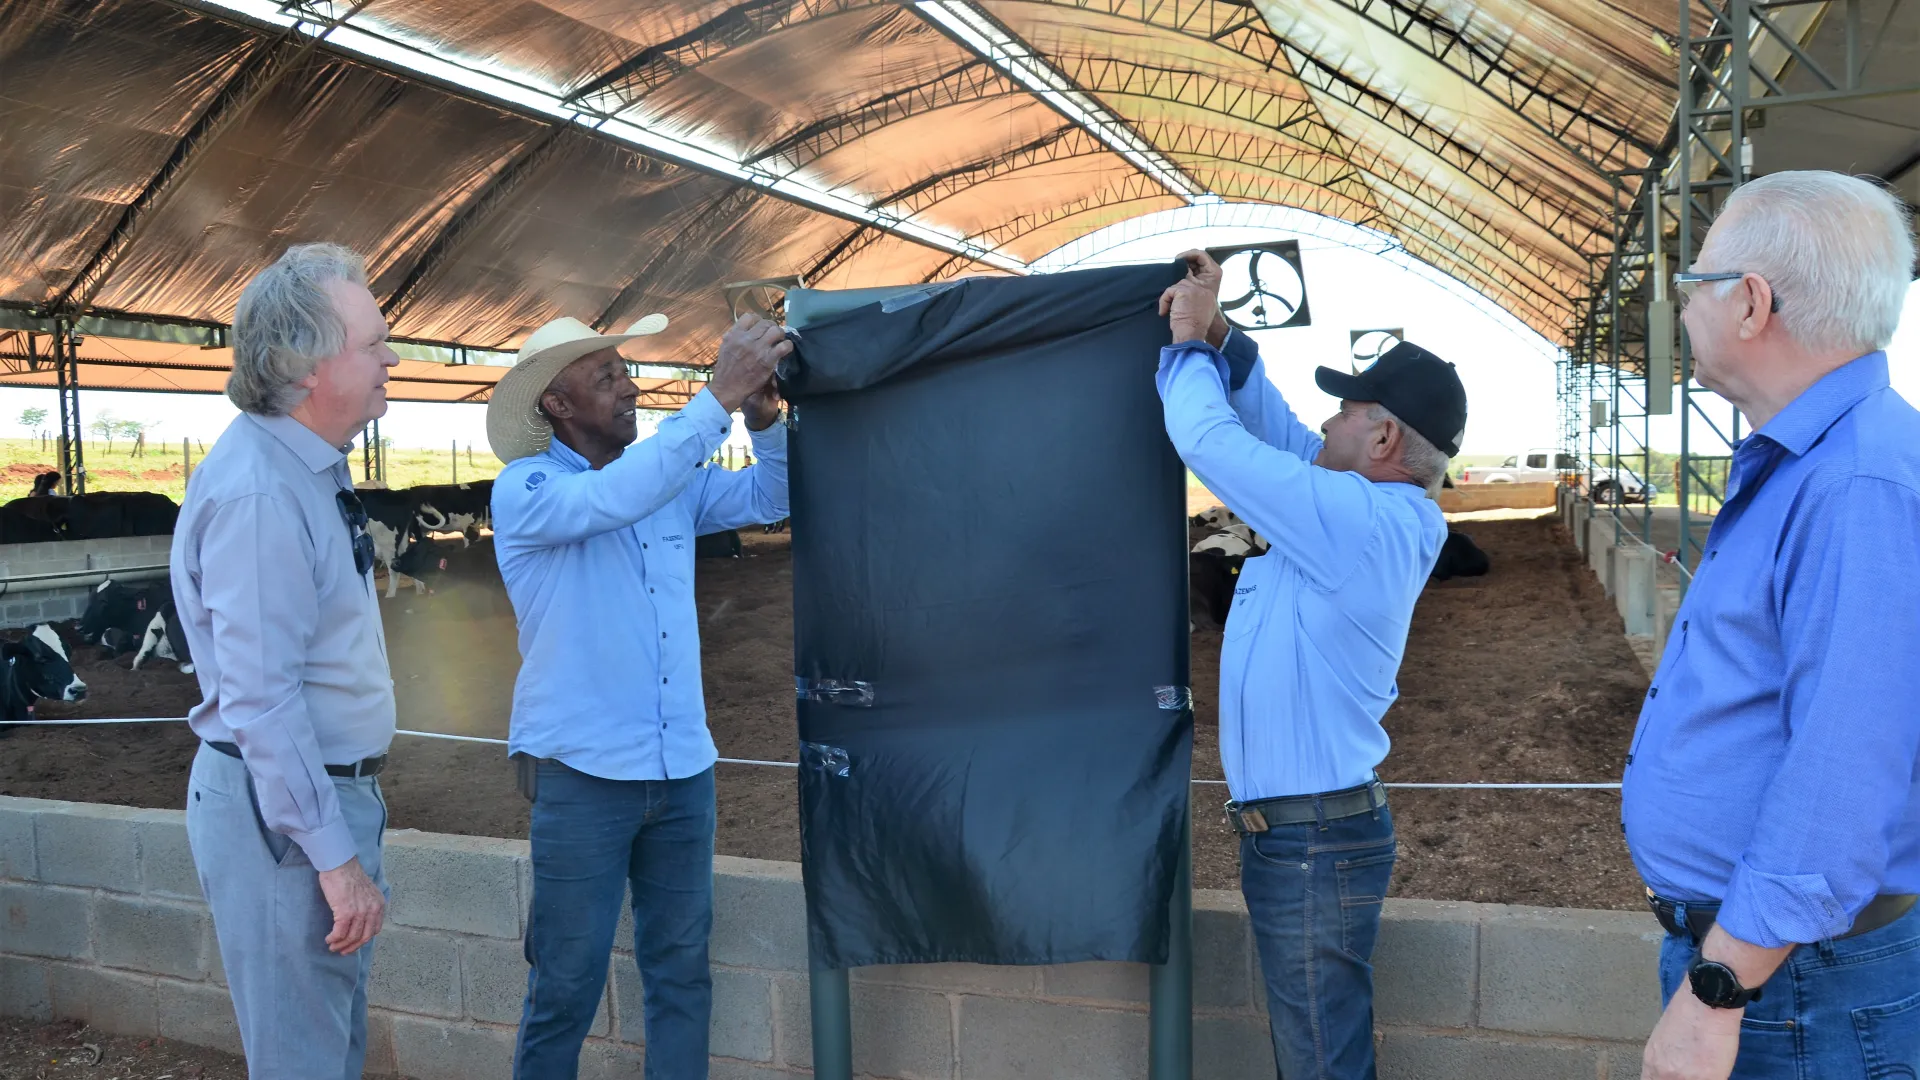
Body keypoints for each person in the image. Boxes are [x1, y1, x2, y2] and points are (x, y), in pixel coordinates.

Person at [1625, 171, 1920, 1080]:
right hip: (1775, 967)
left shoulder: (1855, 483)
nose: (1684, 307)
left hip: (1791, 983)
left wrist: (1719, 990)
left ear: (1752, 303)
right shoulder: (1816, 462)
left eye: (1695, 284)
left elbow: (1844, 772)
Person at [1157, 249, 1465, 1080]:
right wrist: (1222, 339)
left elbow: (1209, 440)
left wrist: (1185, 348)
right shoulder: (1365, 510)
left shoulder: (1361, 519)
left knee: (1321, 1062)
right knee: (1318, 1054)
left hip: (1311, 844)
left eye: (1347, 411)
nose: (1328, 422)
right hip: (1306, 838)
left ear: (1385, 437)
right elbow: (1280, 435)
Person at [488, 312, 791, 1079]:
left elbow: (770, 497)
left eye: (625, 372)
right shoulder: (528, 489)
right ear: (557, 404)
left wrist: (763, 420)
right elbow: (615, 498)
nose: (629, 388)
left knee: (682, 971)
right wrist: (716, 397)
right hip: (582, 773)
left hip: (681, 767)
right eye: (607, 377)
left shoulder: (662, 481)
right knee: (565, 984)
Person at [173, 243, 399, 1079]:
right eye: (374, 344)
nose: (391, 358)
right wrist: (334, 859)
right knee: (304, 1059)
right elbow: (261, 702)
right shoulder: (263, 494)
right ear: (306, 367)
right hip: (288, 823)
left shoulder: (304, 469)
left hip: (310, 806)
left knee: (327, 1044)